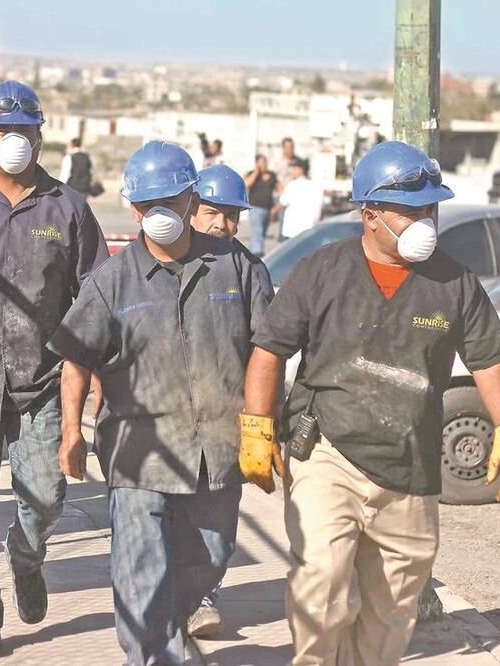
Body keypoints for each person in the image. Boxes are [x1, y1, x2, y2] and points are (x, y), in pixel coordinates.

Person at [240, 141, 500, 665]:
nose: (425, 220)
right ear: (369, 214)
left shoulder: (455, 282)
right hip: (328, 450)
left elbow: (488, 359)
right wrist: (256, 428)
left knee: (392, 617)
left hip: (410, 465)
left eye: (431, 208)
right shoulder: (322, 270)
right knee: (321, 583)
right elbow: (269, 349)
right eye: (411, 210)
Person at [48, 140, 272, 665]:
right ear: (133, 209)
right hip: (137, 450)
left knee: (209, 559)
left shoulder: (236, 267)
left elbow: (268, 347)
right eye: (149, 206)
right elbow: (76, 358)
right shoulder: (111, 281)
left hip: (217, 447)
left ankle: (168, 632)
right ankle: (153, 656)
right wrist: (71, 432)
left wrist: (265, 423)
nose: (160, 215)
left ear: (192, 200)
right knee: (140, 569)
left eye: (171, 202)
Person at [0, 79, 109, 658]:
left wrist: (96, 377)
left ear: (40, 135)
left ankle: (27, 556)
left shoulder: (69, 209)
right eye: (2, 130)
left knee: (46, 499)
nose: (14, 140)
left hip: (43, 386)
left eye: (24, 131)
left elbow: (95, 298)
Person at [185, 163, 274, 639]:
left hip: (225, 423)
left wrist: (263, 420)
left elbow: (269, 347)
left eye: (232, 215)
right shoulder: (166, 261)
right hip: (166, 423)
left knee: (217, 532)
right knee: (166, 523)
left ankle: (203, 596)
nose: (222, 224)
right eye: (212, 212)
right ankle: (171, 600)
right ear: (191, 209)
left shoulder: (249, 270)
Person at [278, 158, 323, 240]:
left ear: (301, 169)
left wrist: (280, 190)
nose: (292, 171)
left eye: (294, 168)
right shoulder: (315, 186)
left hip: (293, 229)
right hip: (310, 228)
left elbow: (283, 201)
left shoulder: (292, 185)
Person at [243, 155, 277, 257]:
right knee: (257, 230)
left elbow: (278, 188)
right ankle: (257, 253)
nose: (263, 164)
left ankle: (251, 253)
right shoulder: (252, 174)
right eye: (261, 162)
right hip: (255, 207)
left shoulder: (271, 175)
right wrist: (257, 172)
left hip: (267, 207)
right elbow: (247, 185)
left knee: (262, 232)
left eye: (264, 161)